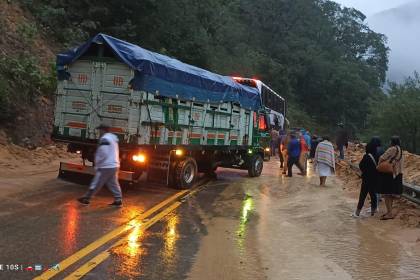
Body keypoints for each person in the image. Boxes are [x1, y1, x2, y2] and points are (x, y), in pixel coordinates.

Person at [78, 124, 123, 207]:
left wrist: (98, 162)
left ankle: (86, 199)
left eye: (100, 130)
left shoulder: (105, 139)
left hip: (106, 166)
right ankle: (118, 199)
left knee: (96, 182)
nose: (99, 132)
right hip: (114, 164)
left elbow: (103, 153)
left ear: (103, 130)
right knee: (113, 183)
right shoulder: (113, 138)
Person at [376, 136, 403, 220]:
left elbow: (382, 157)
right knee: (391, 194)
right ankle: (389, 212)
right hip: (397, 173)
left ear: (392, 142)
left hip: (389, 174)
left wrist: (379, 166)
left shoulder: (392, 149)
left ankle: (390, 213)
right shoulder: (400, 150)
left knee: (387, 194)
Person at [352, 142, 378, 218]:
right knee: (373, 195)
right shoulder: (376, 156)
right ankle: (373, 212)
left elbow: (361, 165)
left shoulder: (366, 156)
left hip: (366, 179)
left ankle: (357, 213)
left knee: (362, 196)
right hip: (374, 178)